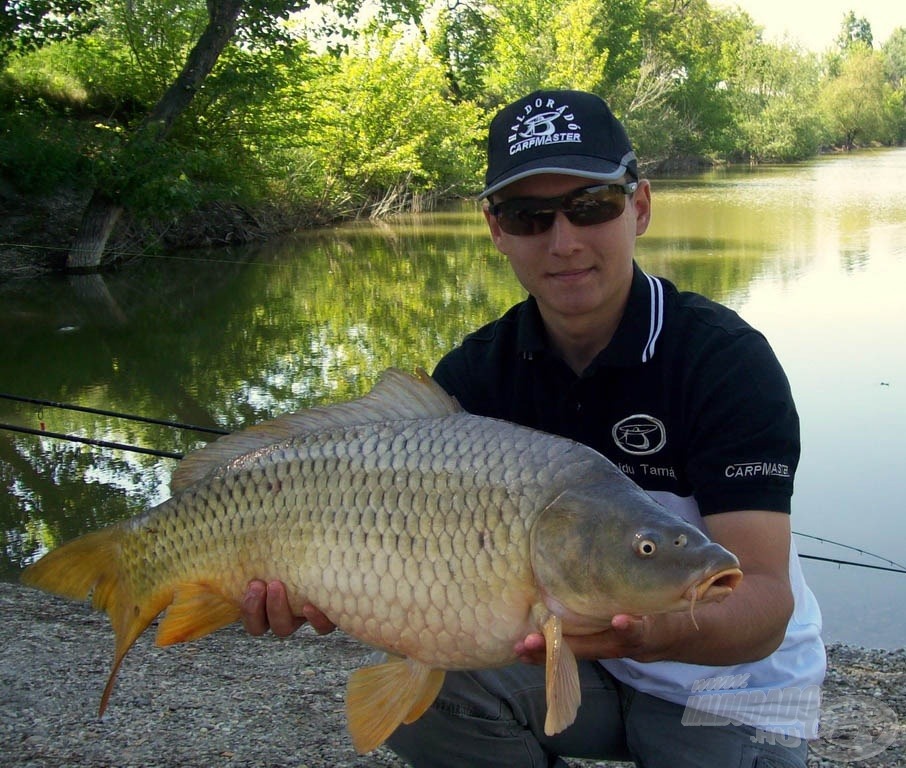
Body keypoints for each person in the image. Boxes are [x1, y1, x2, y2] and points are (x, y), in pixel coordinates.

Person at [240, 90, 825, 767]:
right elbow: (414, 559)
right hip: (570, 652)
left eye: (591, 206)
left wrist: (643, 634)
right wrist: (331, 587)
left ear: (638, 205)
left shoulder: (723, 360)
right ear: (496, 228)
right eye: (529, 216)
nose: (564, 241)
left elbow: (762, 601)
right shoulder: (475, 375)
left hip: (733, 682)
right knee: (436, 698)